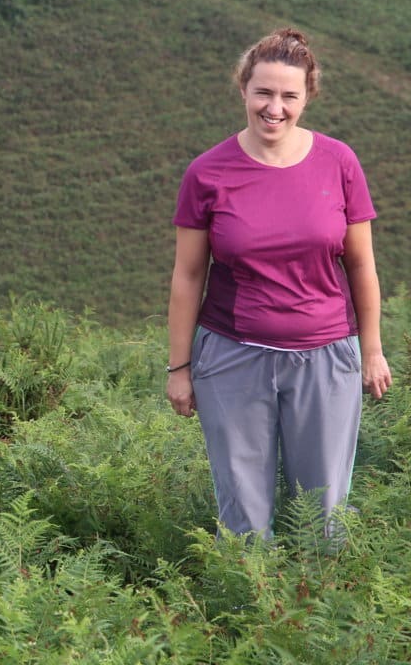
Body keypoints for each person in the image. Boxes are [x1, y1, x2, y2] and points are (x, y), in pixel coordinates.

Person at [165, 27, 392, 540]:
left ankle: (316, 614)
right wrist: (180, 368)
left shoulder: (339, 162)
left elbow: (362, 266)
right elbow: (188, 276)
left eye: (289, 96)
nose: (275, 107)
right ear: (242, 88)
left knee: (324, 513)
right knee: (244, 515)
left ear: (307, 96)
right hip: (231, 357)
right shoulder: (207, 173)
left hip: (328, 356)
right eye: (263, 92)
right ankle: (252, 613)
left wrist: (372, 351)